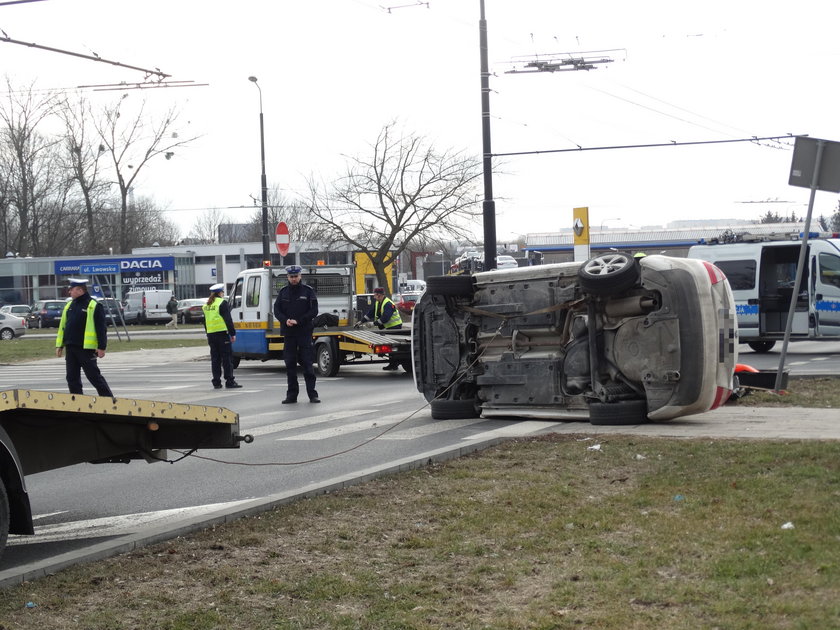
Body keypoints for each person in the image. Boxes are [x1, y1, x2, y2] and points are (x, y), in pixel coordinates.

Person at [55, 278, 114, 397]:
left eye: (71, 290)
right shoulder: (69, 306)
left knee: (93, 376)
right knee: (72, 377)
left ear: (79, 290)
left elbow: (101, 328)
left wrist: (101, 347)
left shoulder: (93, 305)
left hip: (86, 348)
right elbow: (63, 327)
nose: (69, 292)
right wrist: (60, 345)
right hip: (71, 347)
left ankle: (108, 400)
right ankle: (77, 402)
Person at [273, 265, 319, 403]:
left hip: (304, 332)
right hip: (289, 334)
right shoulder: (283, 292)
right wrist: (285, 320)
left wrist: (299, 321)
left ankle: (313, 394)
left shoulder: (308, 291)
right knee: (290, 364)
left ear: (300, 276)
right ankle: (291, 395)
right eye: (291, 277)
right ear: (287, 277)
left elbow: (314, 311)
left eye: (296, 276)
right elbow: (277, 310)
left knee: (307, 364)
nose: (294, 279)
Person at [202, 283, 242, 390]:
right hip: (222, 335)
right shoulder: (222, 303)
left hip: (211, 335)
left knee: (215, 360)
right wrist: (232, 333)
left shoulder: (206, 305)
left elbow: (205, 322)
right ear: (220, 293)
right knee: (227, 359)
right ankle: (230, 381)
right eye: (223, 292)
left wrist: (208, 333)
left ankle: (216, 382)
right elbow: (228, 320)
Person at [362, 287, 403, 370]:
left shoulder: (387, 303)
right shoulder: (379, 302)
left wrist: (373, 324)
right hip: (390, 327)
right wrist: (361, 321)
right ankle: (393, 364)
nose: (374, 297)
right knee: (391, 345)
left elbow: (385, 318)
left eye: (375, 295)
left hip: (395, 327)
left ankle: (393, 365)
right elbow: (371, 313)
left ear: (379, 295)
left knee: (392, 345)